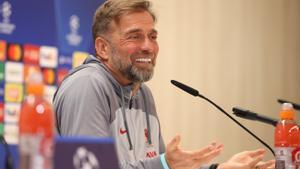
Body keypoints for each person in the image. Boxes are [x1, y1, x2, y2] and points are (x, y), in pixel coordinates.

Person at [53, 0, 275, 169]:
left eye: (152, 36)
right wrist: (164, 163)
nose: (148, 47)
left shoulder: (142, 93)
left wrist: (218, 168)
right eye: (134, 37)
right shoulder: (87, 86)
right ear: (102, 48)